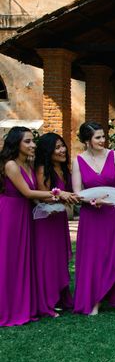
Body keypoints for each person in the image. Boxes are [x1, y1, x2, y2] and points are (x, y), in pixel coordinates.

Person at [0, 127, 76, 326]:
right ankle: (9, 307)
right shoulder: (11, 165)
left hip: (26, 214)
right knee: (11, 261)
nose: (33, 144)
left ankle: (28, 303)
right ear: (16, 143)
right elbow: (27, 192)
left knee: (25, 260)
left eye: (33, 141)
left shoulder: (28, 163)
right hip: (10, 215)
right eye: (27, 141)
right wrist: (59, 194)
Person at [72, 121, 115, 316]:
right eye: (98, 137)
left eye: (103, 136)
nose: (103, 140)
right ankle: (95, 300)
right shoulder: (78, 161)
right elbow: (77, 191)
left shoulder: (114, 156)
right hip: (92, 216)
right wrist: (92, 200)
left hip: (114, 213)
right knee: (95, 256)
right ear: (87, 141)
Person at [33, 132, 76, 316]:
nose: (62, 150)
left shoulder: (65, 170)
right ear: (48, 150)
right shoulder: (43, 169)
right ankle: (47, 302)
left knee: (59, 258)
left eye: (63, 145)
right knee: (47, 260)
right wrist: (63, 197)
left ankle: (60, 297)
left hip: (59, 220)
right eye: (57, 147)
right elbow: (45, 197)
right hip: (46, 222)